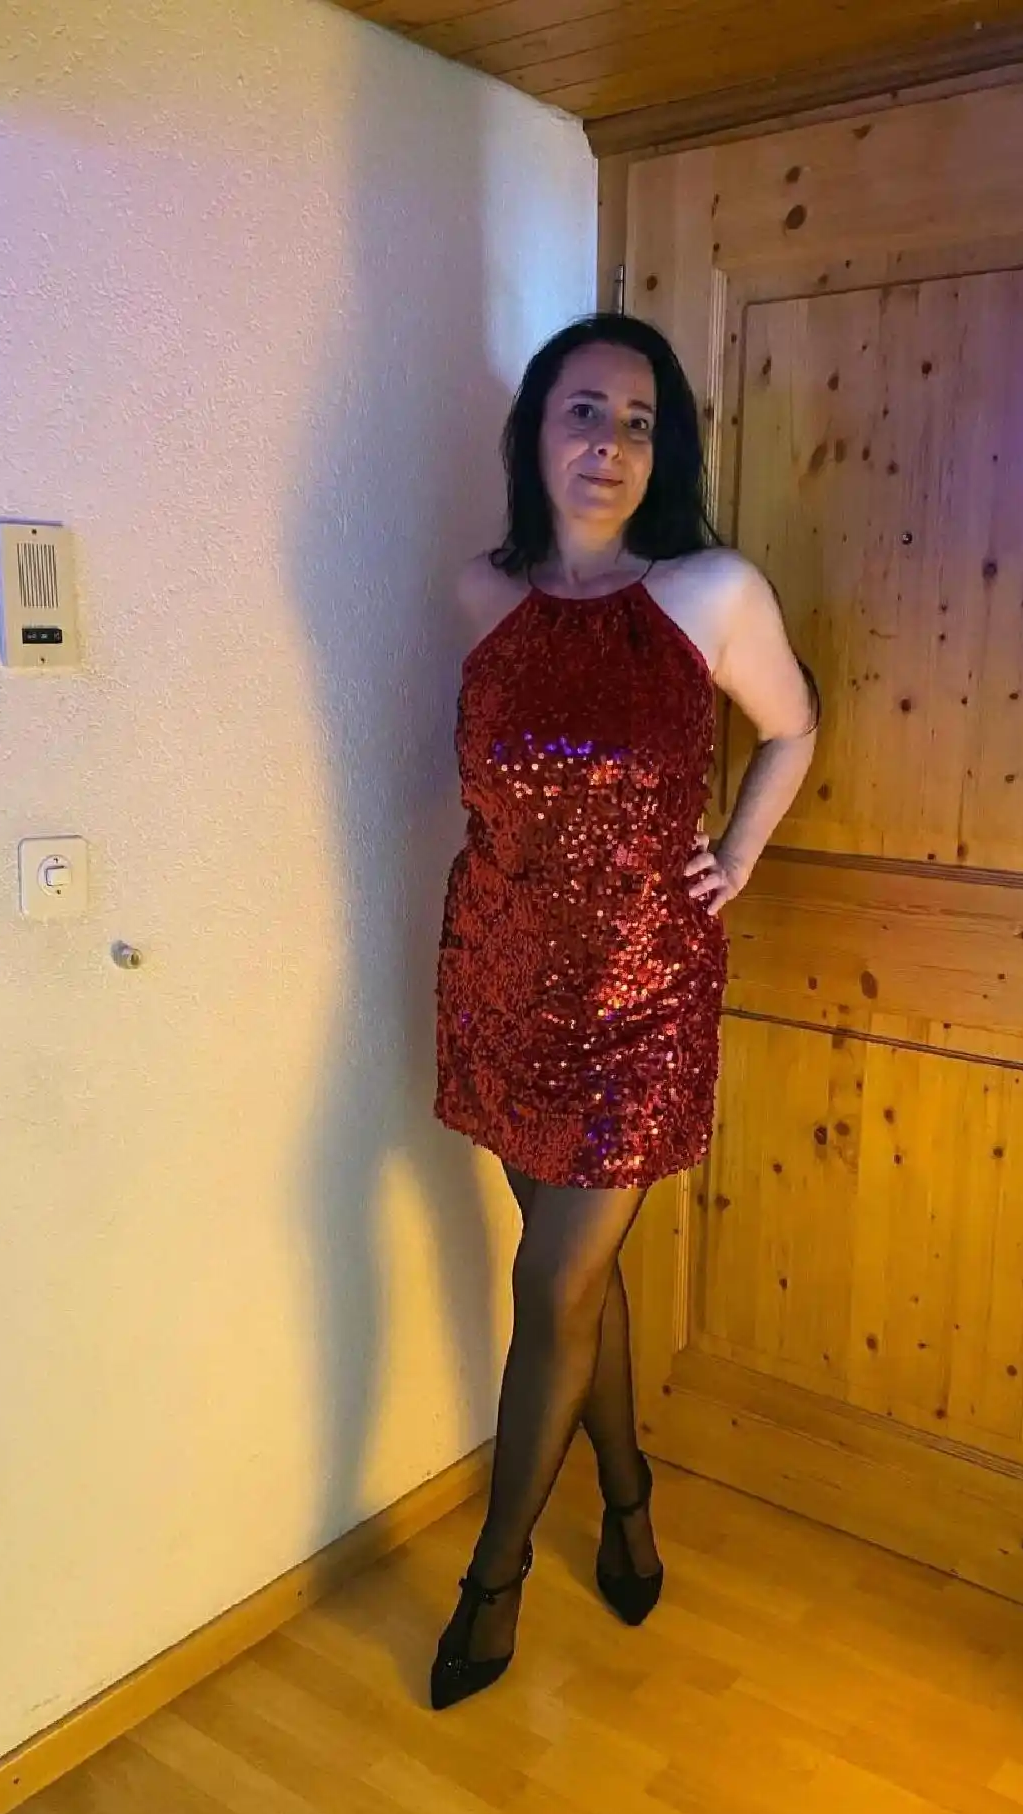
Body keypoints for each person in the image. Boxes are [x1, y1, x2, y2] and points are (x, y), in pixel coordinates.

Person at [430, 312, 820, 1710]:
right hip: (499, 975)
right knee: (576, 1273)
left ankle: (494, 1579)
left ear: (667, 452)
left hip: (642, 995)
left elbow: (793, 725)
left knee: (548, 1285)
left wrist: (741, 851)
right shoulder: (480, 594)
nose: (611, 443)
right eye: (585, 411)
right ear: (536, 432)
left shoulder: (710, 591)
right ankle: (630, 1494)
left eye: (641, 422)